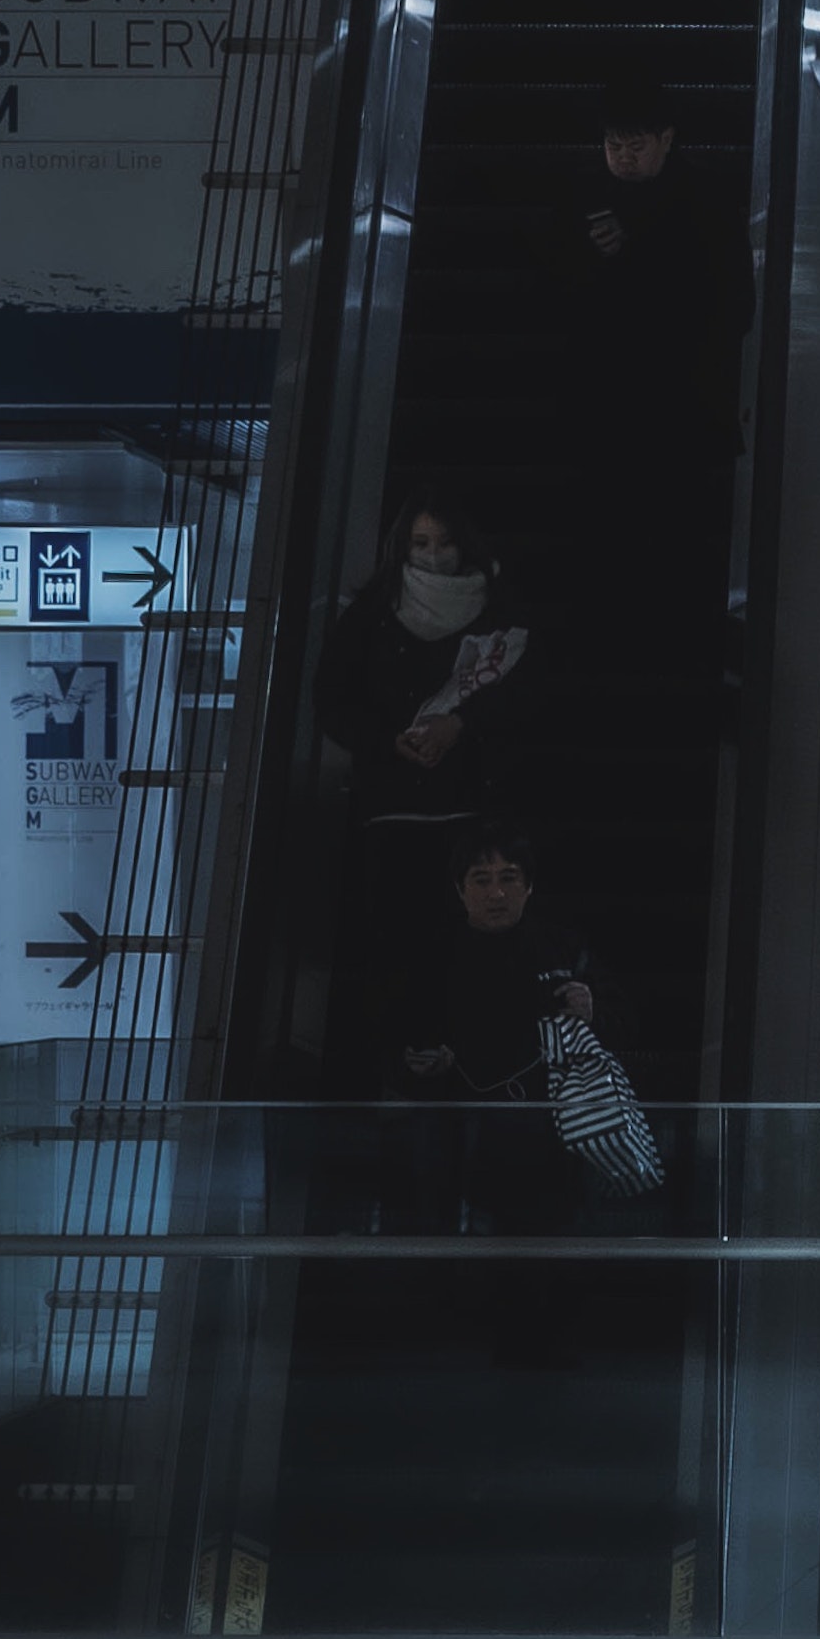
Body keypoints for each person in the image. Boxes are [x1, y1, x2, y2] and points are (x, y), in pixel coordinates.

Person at [322, 499, 549, 1070]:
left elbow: (527, 699)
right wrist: (388, 740)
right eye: (420, 543)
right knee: (395, 935)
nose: (431, 556)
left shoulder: (501, 612)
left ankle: (470, 1051)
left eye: (443, 543)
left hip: (471, 804)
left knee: (467, 941)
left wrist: (462, 726)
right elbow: (334, 701)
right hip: (393, 806)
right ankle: (405, 1055)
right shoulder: (372, 614)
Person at [551, 67, 750, 680]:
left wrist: (632, 258)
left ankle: (674, 663)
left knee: (676, 548)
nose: (624, 158)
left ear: (668, 139)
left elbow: (734, 303)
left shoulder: (709, 200)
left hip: (681, 415)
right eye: (614, 146)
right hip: (606, 415)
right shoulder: (580, 199)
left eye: (637, 146)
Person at [379, 827, 605, 1243]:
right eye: (482, 880)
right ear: (460, 889)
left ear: (529, 885)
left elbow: (622, 1031)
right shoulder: (431, 954)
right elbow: (395, 1044)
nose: (496, 893)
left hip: (549, 1146)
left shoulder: (565, 948)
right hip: (457, 1143)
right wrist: (423, 1065)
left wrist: (594, 1011)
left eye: (508, 878)